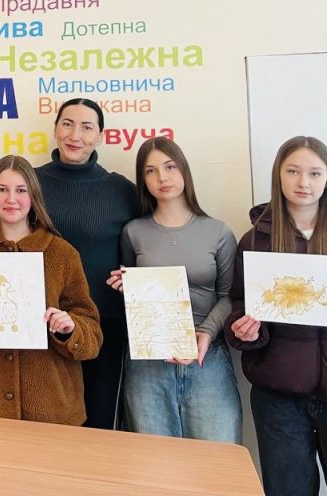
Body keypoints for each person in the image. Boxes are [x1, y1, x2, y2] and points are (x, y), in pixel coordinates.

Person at [225, 136, 327, 496]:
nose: (303, 182)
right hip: (279, 397)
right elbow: (239, 305)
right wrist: (245, 330)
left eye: (315, 173)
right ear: (278, 176)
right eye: (293, 171)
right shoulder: (255, 241)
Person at [0, 155, 102, 423]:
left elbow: (92, 334)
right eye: (2, 189)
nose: (11, 199)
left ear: (33, 196)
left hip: (53, 409)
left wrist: (70, 327)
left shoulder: (62, 253)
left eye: (21, 190)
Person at [107, 137, 241, 441]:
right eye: (151, 171)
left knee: (217, 458)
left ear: (184, 170)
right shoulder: (133, 232)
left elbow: (228, 297)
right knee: (152, 461)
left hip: (207, 357)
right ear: (143, 180)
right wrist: (129, 288)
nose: (162, 178)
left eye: (170, 167)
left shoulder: (218, 231)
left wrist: (205, 334)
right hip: (148, 362)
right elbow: (132, 296)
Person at [34, 97, 137, 428]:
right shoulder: (29, 183)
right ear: (55, 129)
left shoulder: (122, 190)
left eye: (87, 127)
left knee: (98, 423)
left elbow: (147, 243)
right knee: (43, 423)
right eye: (67, 124)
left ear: (100, 136)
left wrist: (136, 276)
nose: (75, 135)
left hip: (103, 325)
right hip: (39, 321)